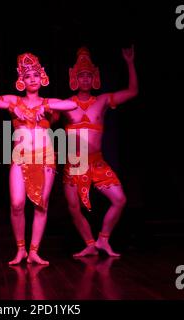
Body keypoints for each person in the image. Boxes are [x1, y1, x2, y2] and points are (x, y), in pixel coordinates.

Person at [0, 53, 77, 265]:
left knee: (41, 205)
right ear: (21, 80)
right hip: (20, 157)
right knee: (16, 203)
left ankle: (34, 251)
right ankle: (20, 250)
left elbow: (71, 106)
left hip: (45, 157)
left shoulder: (47, 101)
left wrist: (46, 108)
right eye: (28, 76)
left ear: (41, 77)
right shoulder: (14, 100)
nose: (32, 79)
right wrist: (11, 107)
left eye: (36, 75)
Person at [62, 46, 138, 257]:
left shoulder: (102, 101)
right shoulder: (65, 104)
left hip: (96, 162)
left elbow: (132, 92)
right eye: (81, 76)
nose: (85, 80)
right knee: (73, 207)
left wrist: (130, 63)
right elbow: (45, 121)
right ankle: (89, 243)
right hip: (75, 163)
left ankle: (103, 239)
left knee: (120, 200)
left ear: (94, 78)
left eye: (88, 76)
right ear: (75, 79)